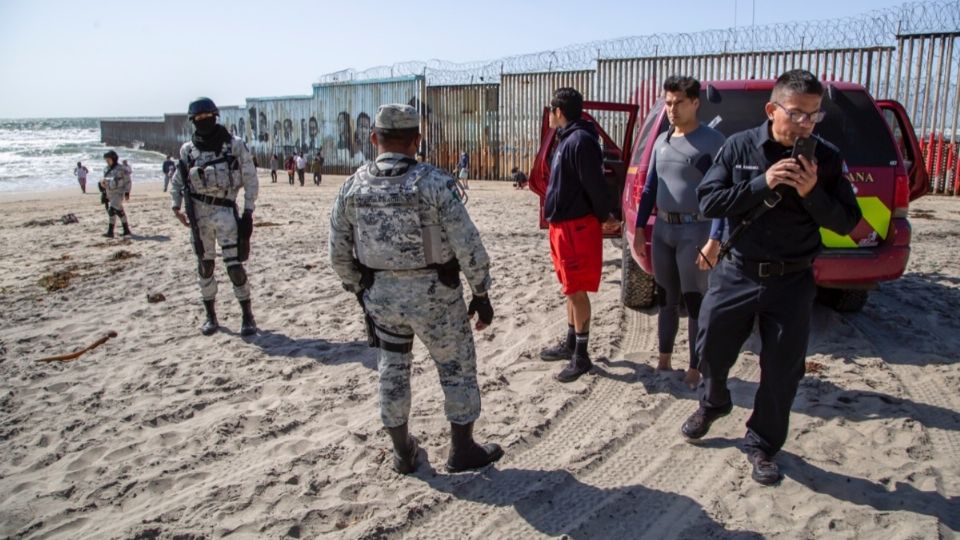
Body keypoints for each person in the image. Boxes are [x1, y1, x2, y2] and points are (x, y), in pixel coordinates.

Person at [681, 70, 862, 485]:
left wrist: (812, 192)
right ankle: (714, 402)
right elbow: (709, 201)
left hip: (792, 280)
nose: (806, 124)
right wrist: (764, 182)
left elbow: (848, 222)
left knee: (782, 371)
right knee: (708, 348)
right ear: (772, 109)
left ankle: (761, 443)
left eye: (814, 116)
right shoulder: (738, 146)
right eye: (797, 114)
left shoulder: (827, 158)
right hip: (736, 271)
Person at [329, 104, 503, 475]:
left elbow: (338, 251)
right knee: (456, 367)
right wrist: (481, 293)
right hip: (435, 298)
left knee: (392, 369)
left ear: (374, 139)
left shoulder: (352, 186)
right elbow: (467, 243)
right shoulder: (436, 183)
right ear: (416, 140)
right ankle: (462, 450)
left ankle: (401, 452)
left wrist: (360, 289)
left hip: (383, 299)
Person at [631, 76, 726, 389]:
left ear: (695, 102)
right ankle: (664, 357)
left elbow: (724, 196)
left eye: (678, 102)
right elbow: (649, 189)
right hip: (663, 231)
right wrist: (642, 228)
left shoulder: (713, 142)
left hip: (694, 229)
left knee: (695, 300)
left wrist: (715, 238)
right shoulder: (662, 141)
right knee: (666, 298)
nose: (671, 109)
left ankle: (696, 366)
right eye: (668, 103)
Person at [538, 88, 619, 382]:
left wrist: (605, 216)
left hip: (576, 226)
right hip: (562, 226)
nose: (549, 115)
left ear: (559, 112)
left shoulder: (581, 140)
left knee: (577, 289)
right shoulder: (567, 138)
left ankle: (582, 356)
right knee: (569, 287)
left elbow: (595, 184)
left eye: (551, 110)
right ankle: (570, 342)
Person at [170, 97, 259, 337]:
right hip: (199, 217)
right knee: (205, 265)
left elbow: (250, 178)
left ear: (215, 117)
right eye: (197, 119)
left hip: (226, 212)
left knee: (234, 265)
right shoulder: (188, 151)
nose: (203, 122)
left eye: (206, 117)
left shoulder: (234, 146)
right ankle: (210, 315)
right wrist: (175, 206)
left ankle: (247, 315)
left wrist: (249, 211)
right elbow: (178, 180)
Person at [99, 150, 132, 237]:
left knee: (112, 210)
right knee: (119, 211)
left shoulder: (121, 169)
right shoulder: (106, 169)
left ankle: (110, 232)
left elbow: (128, 181)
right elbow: (105, 181)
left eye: (108, 159)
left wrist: (127, 192)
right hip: (110, 193)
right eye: (106, 160)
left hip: (119, 192)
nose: (107, 161)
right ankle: (126, 229)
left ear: (113, 158)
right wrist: (103, 192)